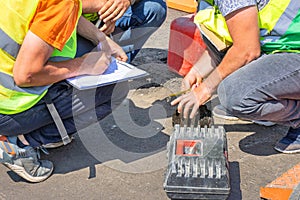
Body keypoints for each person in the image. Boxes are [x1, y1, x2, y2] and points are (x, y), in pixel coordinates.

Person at [0, 0, 129, 182]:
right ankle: (19, 143)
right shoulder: (60, 3)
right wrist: (83, 66)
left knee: (83, 47)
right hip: (7, 106)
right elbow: (26, 75)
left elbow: (70, 10)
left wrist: (102, 39)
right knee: (115, 91)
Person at [171, 0, 300, 154]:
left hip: (293, 52)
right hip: (282, 48)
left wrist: (204, 90)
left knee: (235, 94)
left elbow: (247, 50)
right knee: (233, 83)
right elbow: (227, 40)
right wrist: (196, 72)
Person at [79, 0, 167, 62]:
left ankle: (118, 63)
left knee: (155, 9)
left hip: (100, 18)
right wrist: (103, 6)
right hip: (74, 25)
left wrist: (123, 3)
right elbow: (67, 8)